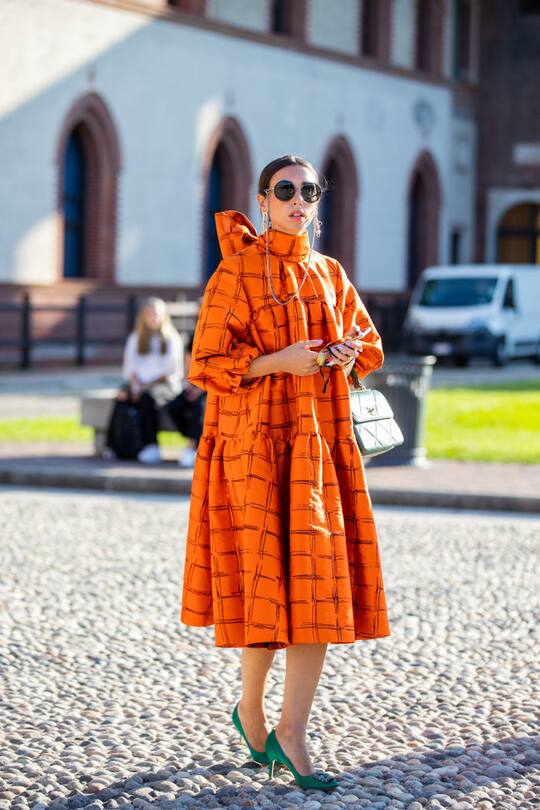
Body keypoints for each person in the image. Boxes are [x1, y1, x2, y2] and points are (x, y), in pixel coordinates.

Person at [180, 155, 390, 790]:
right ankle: (250, 709)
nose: (299, 200)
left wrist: (344, 351)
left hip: (320, 450)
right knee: (266, 588)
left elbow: (371, 344)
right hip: (252, 451)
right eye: (286, 190)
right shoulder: (235, 271)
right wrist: (280, 360)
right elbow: (207, 362)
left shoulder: (330, 272)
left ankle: (291, 731)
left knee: (318, 590)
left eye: (310, 191)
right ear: (263, 200)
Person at [106, 297, 183, 464]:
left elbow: (170, 371)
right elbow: (130, 367)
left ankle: (151, 445)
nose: (152, 318)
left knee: (148, 398)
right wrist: (134, 387)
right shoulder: (136, 338)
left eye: (156, 314)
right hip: (138, 383)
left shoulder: (171, 339)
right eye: (149, 314)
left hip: (164, 384)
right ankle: (114, 445)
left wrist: (143, 388)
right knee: (121, 397)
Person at [166, 332, 207, 467]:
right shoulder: (193, 336)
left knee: (199, 406)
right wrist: (189, 387)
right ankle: (192, 438)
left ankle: (192, 445)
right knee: (173, 406)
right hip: (194, 385)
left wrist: (200, 390)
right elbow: (188, 366)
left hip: (210, 389)